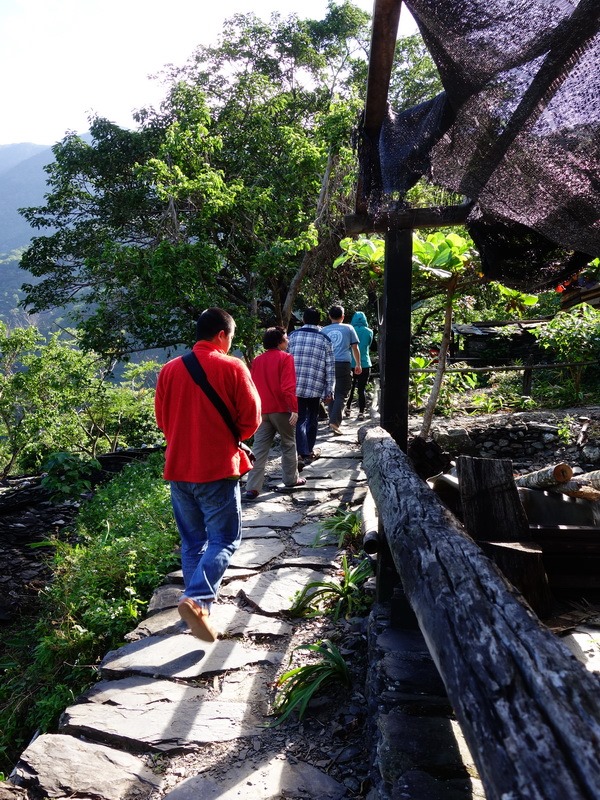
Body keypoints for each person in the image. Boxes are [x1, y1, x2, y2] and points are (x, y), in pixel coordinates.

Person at [154, 307, 261, 642]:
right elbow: (251, 418)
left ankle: (199, 613)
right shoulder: (231, 366)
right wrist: (232, 439)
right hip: (216, 469)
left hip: (178, 469)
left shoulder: (170, 370)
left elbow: (162, 420)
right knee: (225, 539)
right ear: (221, 336)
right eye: (230, 337)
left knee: (193, 542)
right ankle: (198, 599)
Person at [243, 326, 306, 501]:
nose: (288, 340)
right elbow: (287, 387)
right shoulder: (286, 358)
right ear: (279, 341)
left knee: (259, 448)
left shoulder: (257, 360)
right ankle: (291, 480)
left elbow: (253, 386)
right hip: (281, 409)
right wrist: (293, 408)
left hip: (263, 411)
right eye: (286, 338)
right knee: (288, 444)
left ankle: (252, 488)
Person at [287, 308, 335, 462]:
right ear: (319, 321)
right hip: (315, 384)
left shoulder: (292, 336)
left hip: (295, 384)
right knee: (312, 417)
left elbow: (285, 360)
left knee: (299, 418)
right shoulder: (325, 339)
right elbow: (330, 367)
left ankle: (301, 452)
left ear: (303, 320)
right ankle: (309, 450)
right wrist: (329, 390)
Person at [321, 305, 362, 434]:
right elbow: (355, 348)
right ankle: (334, 422)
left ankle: (332, 419)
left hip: (327, 364)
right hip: (343, 363)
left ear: (329, 316)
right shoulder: (349, 328)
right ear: (343, 316)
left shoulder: (323, 330)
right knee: (341, 393)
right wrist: (358, 364)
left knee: (330, 392)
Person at [344, 311, 373, 420]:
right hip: (365, 363)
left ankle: (347, 408)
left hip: (350, 362)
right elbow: (368, 345)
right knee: (361, 389)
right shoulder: (369, 332)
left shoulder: (350, 331)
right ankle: (361, 412)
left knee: (349, 388)